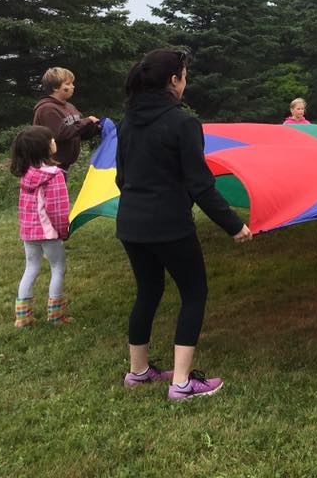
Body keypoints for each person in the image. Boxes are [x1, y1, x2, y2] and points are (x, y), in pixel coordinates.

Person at [116, 49, 253, 401]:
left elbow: (121, 177)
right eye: (184, 74)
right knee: (194, 293)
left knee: (148, 290)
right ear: (174, 80)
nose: (185, 79)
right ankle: (181, 383)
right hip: (169, 225)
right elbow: (200, 183)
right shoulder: (183, 123)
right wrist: (234, 225)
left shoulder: (128, 120)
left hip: (130, 222)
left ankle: (139, 372)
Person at [10, 126, 71, 327]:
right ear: (43, 147)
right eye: (51, 139)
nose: (54, 141)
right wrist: (64, 230)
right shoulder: (54, 175)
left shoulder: (26, 173)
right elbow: (58, 209)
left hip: (29, 232)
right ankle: (56, 316)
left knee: (31, 268)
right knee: (58, 267)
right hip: (49, 231)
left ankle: (23, 317)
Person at [32, 67, 101, 175]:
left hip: (63, 167)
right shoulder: (47, 109)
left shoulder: (70, 107)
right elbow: (60, 134)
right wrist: (87, 121)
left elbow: (78, 132)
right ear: (55, 87)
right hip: (49, 168)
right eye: (68, 84)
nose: (72, 87)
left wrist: (96, 128)